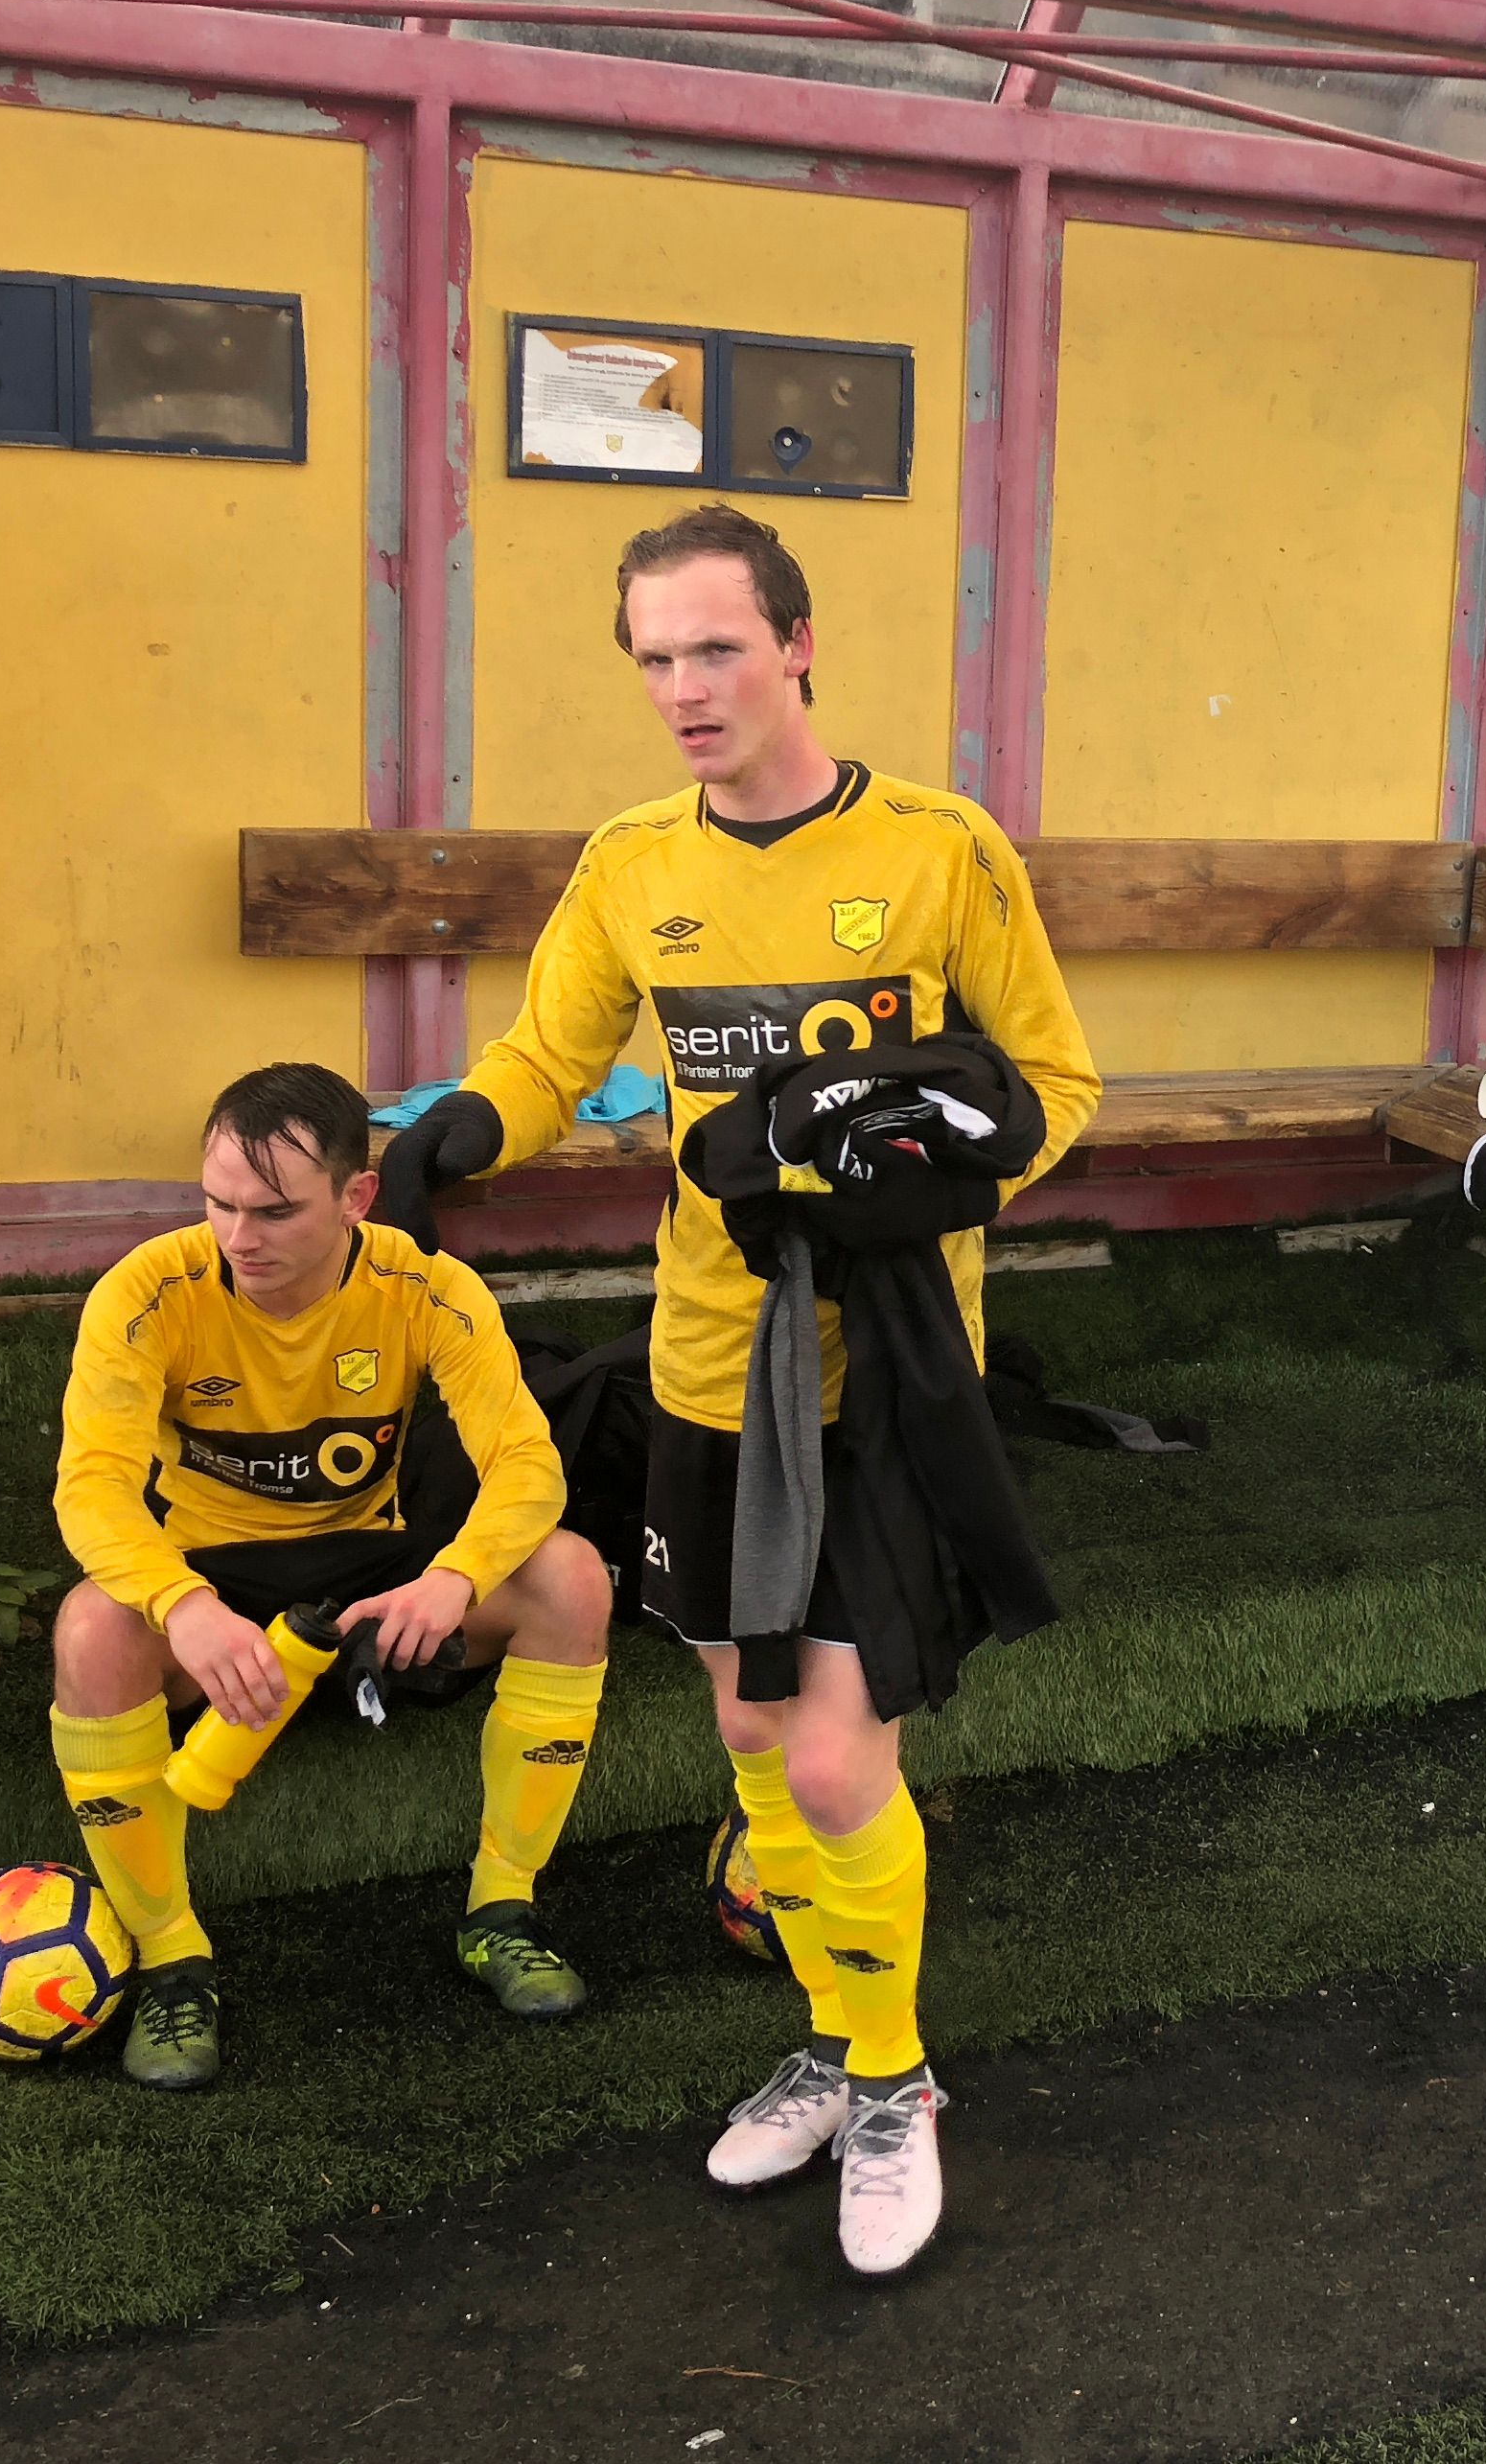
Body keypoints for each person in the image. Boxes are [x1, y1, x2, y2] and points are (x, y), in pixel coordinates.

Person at [373, 502, 1100, 2279]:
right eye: (654, 657)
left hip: (886, 1378)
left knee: (842, 1757)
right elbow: (550, 1053)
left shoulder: (937, 848)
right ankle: (840, 2038)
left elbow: (1055, 1081)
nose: (684, 687)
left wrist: (929, 1182)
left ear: (796, 645)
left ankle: (894, 2079)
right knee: (756, 1735)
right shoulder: (631, 863)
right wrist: (457, 1134)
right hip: (708, 1369)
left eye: (714, 647)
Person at [48, 1061, 608, 2091]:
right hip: (212, 1576)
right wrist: (184, 1605)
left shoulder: (426, 1287)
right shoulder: (146, 1290)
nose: (239, 1237)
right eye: (218, 1204)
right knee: (90, 1629)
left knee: (570, 1577)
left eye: (274, 1212)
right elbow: (91, 1489)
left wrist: (455, 1577)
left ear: (357, 1197)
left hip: (368, 1579)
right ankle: (171, 1961)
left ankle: (502, 1907)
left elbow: (528, 1465)